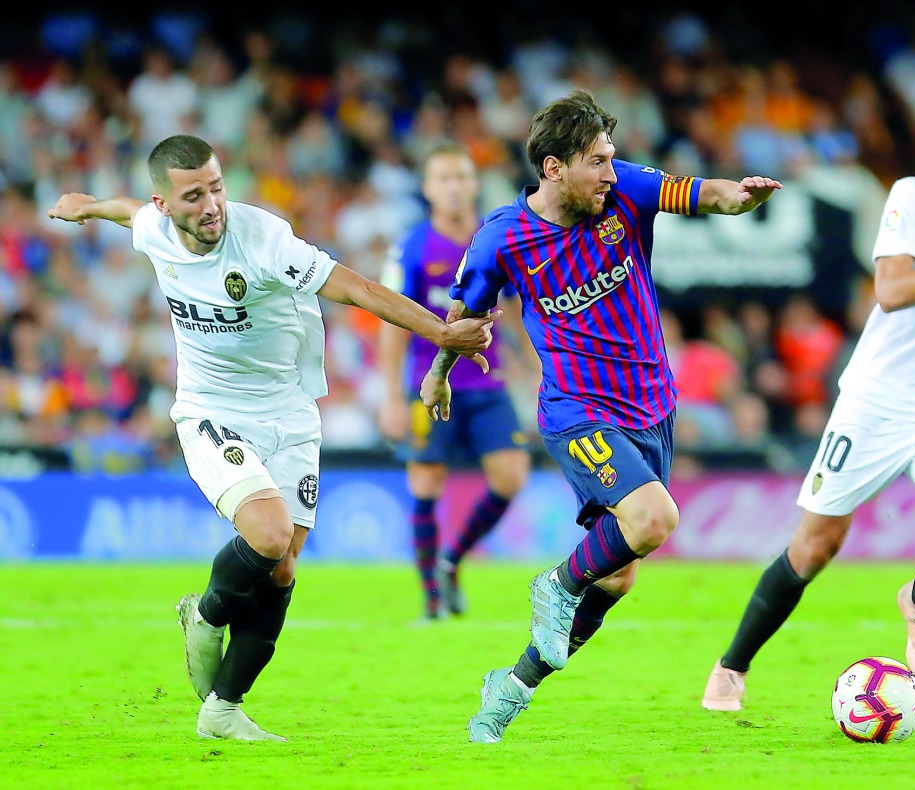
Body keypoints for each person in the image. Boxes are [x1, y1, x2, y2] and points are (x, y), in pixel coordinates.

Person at [47, 134, 496, 741]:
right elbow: (131, 211)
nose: (211, 205)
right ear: (167, 203)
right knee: (267, 533)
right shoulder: (154, 227)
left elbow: (361, 289)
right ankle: (205, 616)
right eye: (193, 196)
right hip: (211, 410)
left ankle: (223, 711)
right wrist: (91, 205)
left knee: (282, 570)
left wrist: (443, 332)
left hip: (290, 412)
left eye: (217, 187)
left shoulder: (262, 239)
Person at [419, 89, 781, 742]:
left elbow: (704, 195)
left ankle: (513, 687)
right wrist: (437, 375)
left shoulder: (629, 194)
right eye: (597, 162)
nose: (611, 174)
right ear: (554, 167)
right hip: (576, 412)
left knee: (616, 576)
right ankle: (555, 586)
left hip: (651, 410)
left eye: (612, 159)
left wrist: (743, 198)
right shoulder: (503, 237)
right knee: (654, 519)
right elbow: (464, 317)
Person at [701, 89, 915, 711]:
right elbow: (888, 291)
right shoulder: (914, 197)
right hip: (875, 400)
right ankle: (732, 666)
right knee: (814, 548)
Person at [377, 142, 538, 619]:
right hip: (428, 384)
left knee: (511, 476)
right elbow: (392, 323)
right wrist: (390, 396)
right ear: (428, 189)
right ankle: (431, 599)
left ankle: (452, 561)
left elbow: (511, 309)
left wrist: (537, 369)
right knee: (426, 481)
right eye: (443, 178)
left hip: (488, 384)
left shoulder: (495, 239)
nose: (453, 187)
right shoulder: (411, 246)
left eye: (462, 177)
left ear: (474, 185)